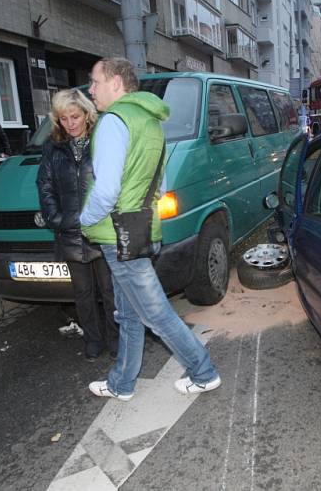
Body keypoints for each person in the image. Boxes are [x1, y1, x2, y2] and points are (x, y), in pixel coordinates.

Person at [80, 57, 221, 401]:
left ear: (116, 83)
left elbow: (107, 188)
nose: (90, 90)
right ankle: (122, 384)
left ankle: (203, 372)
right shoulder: (150, 120)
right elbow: (160, 184)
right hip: (143, 228)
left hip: (118, 233)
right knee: (128, 314)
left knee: (156, 313)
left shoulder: (114, 121)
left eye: (95, 82)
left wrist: (83, 219)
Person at [36, 89, 119, 362]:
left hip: (101, 230)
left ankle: (116, 339)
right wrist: (57, 219)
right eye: (63, 118)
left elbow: (114, 180)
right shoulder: (52, 146)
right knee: (82, 294)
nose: (70, 123)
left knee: (110, 291)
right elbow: (45, 186)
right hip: (70, 231)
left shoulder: (101, 140)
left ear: (86, 114)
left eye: (75, 116)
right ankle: (93, 340)